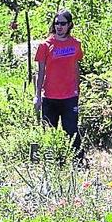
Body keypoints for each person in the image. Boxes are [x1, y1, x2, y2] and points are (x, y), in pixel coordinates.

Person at [34, 9, 84, 160]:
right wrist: (37, 96)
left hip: (69, 96)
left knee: (71, 130)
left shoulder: (76, 44)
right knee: (48, 131)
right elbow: (40, 71)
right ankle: (48, 162)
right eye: (56, 23)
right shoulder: (45, 45)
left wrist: (78, 88)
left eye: (62, 23)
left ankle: (78, 162)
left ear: (69, 25)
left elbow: (76, 67)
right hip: (50, 96)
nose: (59, 27)